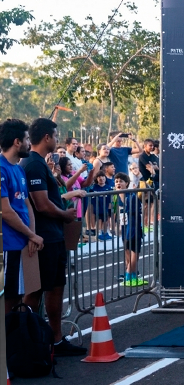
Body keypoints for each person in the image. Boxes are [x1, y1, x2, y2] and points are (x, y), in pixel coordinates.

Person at [19, 118, 84, 355]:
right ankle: (31, 342)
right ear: (47, 137)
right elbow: (42, 204)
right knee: (37, 292)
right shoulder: (33, 164)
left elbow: (49, 200)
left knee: (53, 288)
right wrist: (66, 216)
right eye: (56, 136)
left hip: (51, 236)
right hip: (44, 237)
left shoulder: (38, 163)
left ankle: (53, 340)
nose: (57, 140)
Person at [1, 119, 45, 313]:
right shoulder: (2, 169)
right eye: (27, 139)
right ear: (17, 142)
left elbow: (26, 204)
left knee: (18, 296)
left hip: (23, 242)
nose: (29, 143)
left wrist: (32, 235)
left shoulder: (18, 169)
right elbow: (6, 211)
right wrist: (31, 235)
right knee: (8, 297)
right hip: (9, 244)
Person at [113, 173, 146, 286]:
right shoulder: (116, 196)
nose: (118, 183)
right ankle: (129, 275)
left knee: (135, 251)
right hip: (124, 227)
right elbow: (117, 212)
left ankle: (130, 274)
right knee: (127, 250)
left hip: (133, 227)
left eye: (121, 181)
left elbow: (137, 210)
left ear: (126, 183)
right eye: (116, 181)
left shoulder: (131, 196)